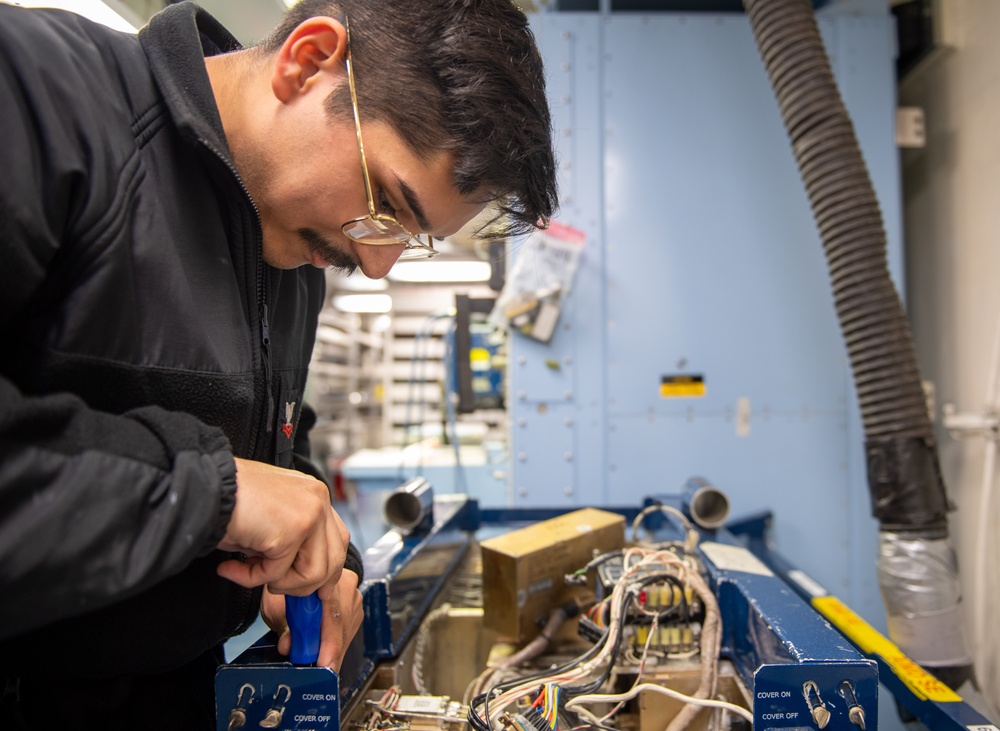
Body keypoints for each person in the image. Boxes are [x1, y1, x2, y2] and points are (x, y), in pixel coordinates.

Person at [0, 0, 557, 727]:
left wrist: (316, 546)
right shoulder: (37, 96)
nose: (378, 260)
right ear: (307, 60)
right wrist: (213, 494)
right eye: (388, 202)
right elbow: (215, 480)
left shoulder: (288, 257)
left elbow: (265, 455)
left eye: (411, 236)